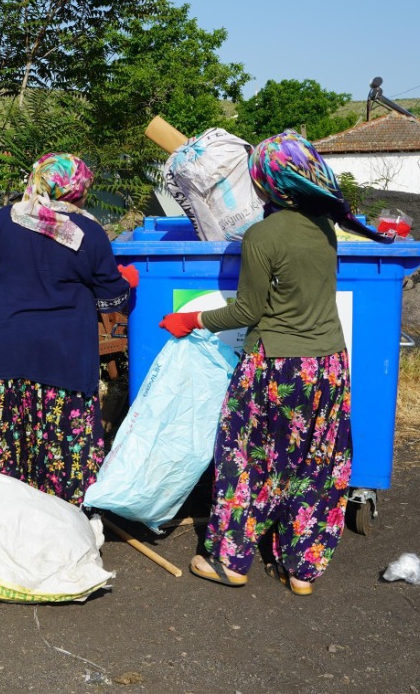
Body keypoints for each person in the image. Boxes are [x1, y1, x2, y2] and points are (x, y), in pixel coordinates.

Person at [160, 131, 393, 595]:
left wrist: (193, 318)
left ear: (268, 183)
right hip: (327, 366)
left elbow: (247, 312)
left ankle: (232, 563)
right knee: (317, 464)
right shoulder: (326, 228)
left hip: (275, 369)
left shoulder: (262, 236)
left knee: (246, 460)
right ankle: (301, 571)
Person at [0, 153, 137, 506]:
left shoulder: (4, 220)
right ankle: (60, 526)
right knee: (62, 453)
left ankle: (6, 523)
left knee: (8, 447)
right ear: (78, 190)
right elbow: (111, 299)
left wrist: (11, 287)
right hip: (65, 360)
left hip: (8, 354)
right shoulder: (88, 232)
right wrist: (127, 287)